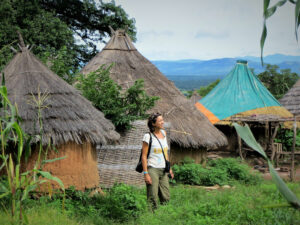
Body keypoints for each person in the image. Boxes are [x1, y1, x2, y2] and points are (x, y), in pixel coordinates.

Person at [141, 112, 174, 210]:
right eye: (160, 121)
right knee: (153, 196)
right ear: (153, 123)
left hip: (163, 169)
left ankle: (164, 214)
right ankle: (152, 217)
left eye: (162, 120)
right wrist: (146, 173)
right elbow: (144, 156)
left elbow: (165, 152)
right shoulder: (148, 136)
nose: (163, 122)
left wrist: (169, 168)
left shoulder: (164, 133)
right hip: (152, 169)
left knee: (166, 196)